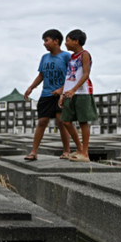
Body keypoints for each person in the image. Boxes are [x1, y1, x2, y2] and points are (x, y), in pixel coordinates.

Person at [23, 29, 72, 161]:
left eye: (46, 40)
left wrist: (62, 89)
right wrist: (31, 87)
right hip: (46, 94)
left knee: (61, 122)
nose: (44, 44)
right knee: (42, 122)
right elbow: (41, 75)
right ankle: (33, 152)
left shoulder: (66, 56)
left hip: (61, 95)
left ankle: (67, 151)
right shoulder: (45, 57)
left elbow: (71, 76)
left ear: (56, 41)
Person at [58, 29, 98, 163]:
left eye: (67, 40)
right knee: (66, 121)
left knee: (82, 121)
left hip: (82, 92)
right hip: (70, 92)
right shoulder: (71, 57)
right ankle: (79, 148)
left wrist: (74, 89)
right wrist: (63, 94)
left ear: (76, 41)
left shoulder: (84, 55)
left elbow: (86, 74)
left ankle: (85, 153)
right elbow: (69, 77)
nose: (65, 43)